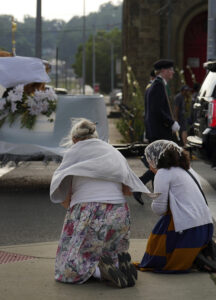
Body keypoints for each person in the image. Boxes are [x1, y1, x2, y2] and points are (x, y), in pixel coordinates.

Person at [50, 118, 151, 288]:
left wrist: (74, 216)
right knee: (108, 249)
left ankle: (98, 271)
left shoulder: (74, 152)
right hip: (119, 212)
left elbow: (62, 192)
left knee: (68, 267)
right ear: (96, 136)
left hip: (89, 210)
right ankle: (117, 264)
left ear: (74, 139)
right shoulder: (113, 152)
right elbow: (127, 190)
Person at [136, 140, 213, 272]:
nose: (150, 167)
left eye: (150, 161)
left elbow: (159, 209)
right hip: (205, 228)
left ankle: (181, 258)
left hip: (188, 230)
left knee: (157, 246)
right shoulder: (188, 169)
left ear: (157, 159)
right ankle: (194, 257)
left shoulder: (163, 173)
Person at [134, 59, 180, 205]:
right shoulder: (158, 87)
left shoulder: (157, 85)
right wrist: (171, 122)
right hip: (160, 131)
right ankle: (140, 185)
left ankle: (158, 194)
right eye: (171, 69)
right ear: (164, 71)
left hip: (157, 130)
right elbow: (156, 111)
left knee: (158, 163)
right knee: (163, 163)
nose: (173, 72)